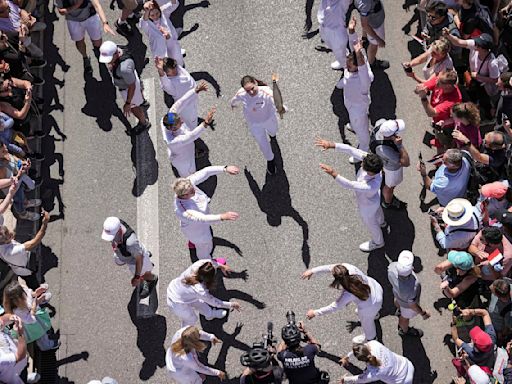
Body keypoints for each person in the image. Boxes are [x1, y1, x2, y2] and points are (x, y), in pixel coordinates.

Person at [315, 138, 385, 252]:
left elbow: (350, 185)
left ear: (371, 172)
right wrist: (331, 145)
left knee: (371, 223)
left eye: (364, 166)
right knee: (378, 212)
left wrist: (333, 173)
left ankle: (378, 242)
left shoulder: (370, 185)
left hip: (367, 205)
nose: (361, 163)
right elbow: (351, 150)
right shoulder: (372, 161)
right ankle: (382, 222)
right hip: (374, 199)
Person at [173, 165, 240, 259]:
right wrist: (223, 216)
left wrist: (225, 168)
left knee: (197, 241)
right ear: (184, 195)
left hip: (194, 224)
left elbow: (206, 172)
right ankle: (206, 262)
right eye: (191, 191)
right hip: (198, 231)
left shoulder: (187, 183)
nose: (194, 190)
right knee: (205, 246)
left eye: (193, 187)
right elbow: (202, 219)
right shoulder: (184, 210)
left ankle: (193, 243)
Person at [303, 263, 383, 341]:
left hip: (370, 307)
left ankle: (371, 338)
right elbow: (331, 267)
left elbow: (334, 307)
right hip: (376, 288)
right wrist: (313, 271)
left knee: (367, 324)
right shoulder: (348, 267)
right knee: (368, 312)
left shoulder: (348, 294)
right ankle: (375, 314)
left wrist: (315, 312)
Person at [230, 75, 283, 175]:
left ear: (255, 83)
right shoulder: (241, 93)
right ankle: (270, 160)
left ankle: (272, 136)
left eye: (252, 88)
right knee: (263, 144)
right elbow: (234, 99)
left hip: (269, 119)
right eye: (247, 90)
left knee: (273, 132)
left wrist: (282, 108)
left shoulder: (266, 92)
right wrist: (233, 104)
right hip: (254, 124)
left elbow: (277, 101)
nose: (250, 92)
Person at [335, 20, 374, 155]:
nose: (347, 65)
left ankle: (364, 147)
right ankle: (354, 124)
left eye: (350, 65)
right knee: (353, 120)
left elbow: (362, 66)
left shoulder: (365, 77)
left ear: (357, 66)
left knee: (361, 129)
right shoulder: (357, 60)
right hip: (349, 100)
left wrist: (358, 54)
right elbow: (356, 46)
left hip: (358, 107)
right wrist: (351, 31)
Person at [160, 81, 214, 177]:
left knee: (190, 148)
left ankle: (195, 153)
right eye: (179, 123)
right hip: (183, 159)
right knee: (190, 173)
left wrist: (195, 90)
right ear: (172, 128)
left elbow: (180, 102)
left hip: (183, 148)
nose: (182, 121)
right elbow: (191, 136)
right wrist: (205, 123)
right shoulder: (173, 141)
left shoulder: (170, 116)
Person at [166, 259, 241, 327]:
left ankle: (210, 314)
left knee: (198, 301)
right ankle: (184, 336)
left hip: (176, 289)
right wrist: (231, 304)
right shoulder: (200, 291)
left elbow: (210, 263)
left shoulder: (198, 265)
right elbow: (215, 302)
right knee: (192, 319)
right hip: (176, 304)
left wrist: (222, 266)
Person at [444, 31, 500, 119]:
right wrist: (449, 36)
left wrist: (478, 76)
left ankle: (488, 117)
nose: (475, 44)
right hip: (474, 79)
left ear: (483, 48)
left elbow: (495, 79)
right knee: (472, 95)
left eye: (478, 44)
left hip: (483, 85)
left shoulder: (492, 62)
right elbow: (458, 42)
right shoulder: (475, 46)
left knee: (485, 102)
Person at [98, 40, 151, 135]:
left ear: (116, 54)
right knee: (139, 94)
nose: (108, 62)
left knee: (134, 108)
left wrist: (128, 103)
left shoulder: (124, 69)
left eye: (109, 59)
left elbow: (132, 86)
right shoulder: (118, 48)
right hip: (131, 77)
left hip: (128, 87)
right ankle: (143, 102)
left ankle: (144, 123)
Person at [101, 216, 158, 299]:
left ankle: (151, 280)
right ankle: (145, 258)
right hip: (126, 253)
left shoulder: (130, 243)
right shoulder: (116, 223)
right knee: (122, 259)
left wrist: (136, 277)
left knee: (144, 274)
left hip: (136, 259)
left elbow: (139, 259)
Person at [54, 0, 115, 74]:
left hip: (90, 16)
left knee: (97, 41)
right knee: (79, 41)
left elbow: (97, 4)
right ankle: (85, 57)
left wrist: (105, 23)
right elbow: (61, 12)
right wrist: (77, 5)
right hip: (73, 21)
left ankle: (97, 50)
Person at [2, 280, 58, 350]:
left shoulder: (19, 299)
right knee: (40, 333)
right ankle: (46, 345)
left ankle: (44, 343)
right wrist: (34, 306)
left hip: (32, 319)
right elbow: (30, 320)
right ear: (19, 299)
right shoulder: (18, 311)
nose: (25, 293)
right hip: (31, 325)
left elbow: (29, 293)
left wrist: (35, 293)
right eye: (23, 294)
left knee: (40, 332)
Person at [414, 70, 462, 151]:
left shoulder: (453, 100)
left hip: (445, 125)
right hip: (437, 120)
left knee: (445, 143)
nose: (436, 82)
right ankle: (438, 141)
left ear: (448, 86)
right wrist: (419, 89)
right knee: (437, 134)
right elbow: (419, 88)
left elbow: (431, 113)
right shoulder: (440, 80)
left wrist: (423, 98)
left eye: (439, 82)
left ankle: (443, 149)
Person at [0, 210, 48, 289]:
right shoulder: (11, 251)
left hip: (20, 265)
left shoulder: (2, 243)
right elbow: (34, 242)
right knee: (32, 281)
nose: (11, 233)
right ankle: (38, 293)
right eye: (9, 234)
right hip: (25, 271)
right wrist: (44, 224)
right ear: (6, 239)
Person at [387, 250, 430, 338]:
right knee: (404, 318)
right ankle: (404, 330)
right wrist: (423, 313)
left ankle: (399, 310)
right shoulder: (412, 287)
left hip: (397, 294)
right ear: (412, 268)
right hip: (407, 305)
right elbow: (412, 305)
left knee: (397, 301)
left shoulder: (392, 267)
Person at [370, 119, 410, 209]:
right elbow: (406, 162)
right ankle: (388, 203)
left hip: (380, 158)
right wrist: (399, 145)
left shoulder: (380, 123)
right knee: (390, 186)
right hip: (392, 169)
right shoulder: (387, 151)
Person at [339, 339, 414, 383]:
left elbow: (362, 379)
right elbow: (360, 349)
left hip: (403, 381)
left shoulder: (374, 372)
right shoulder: (374, 344)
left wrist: (345, 379)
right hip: (408, 364)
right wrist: (347, 356)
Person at [154, 56, 197, 128]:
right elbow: (165, 84)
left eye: (175, 68)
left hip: (192, 101)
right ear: (166, 73)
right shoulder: (171, 85)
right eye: (173, 71)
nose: (176, 71)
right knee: (190, 124)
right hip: (186, 108)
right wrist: (160, 71)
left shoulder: (177, 68)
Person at [276, 320, 322, 384]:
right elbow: (318, 346)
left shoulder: (283, 356)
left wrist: (287, 337)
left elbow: (279, 350)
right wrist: (305, 331)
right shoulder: (309, 350)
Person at [139, 0, 183, 65]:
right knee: (167, 68)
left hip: (172, 44)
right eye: (152, 15)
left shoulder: (164, 12)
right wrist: (147, 10)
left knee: (178, 62)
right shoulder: (147, 25)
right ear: (148, 15)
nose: (155, 17)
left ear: (159, 10)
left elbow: (174, 4)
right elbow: (143, 22)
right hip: (160, 50)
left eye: (157, 13)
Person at [353, 0, 389, 69]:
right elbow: (365, 25)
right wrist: (378, 39)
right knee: (374, 45)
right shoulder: (366, 4)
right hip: (375, 25)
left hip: (371, 18)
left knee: (366, 21)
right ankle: (371, 63)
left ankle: (364, 39)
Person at [317, 0, 351, 70]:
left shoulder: (342, 2)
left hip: (336, 32)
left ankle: (346, 66)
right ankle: (345, 54)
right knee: (330, 44)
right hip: (324, 26)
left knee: (339, 51)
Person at [0, 314, 28, 384]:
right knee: (22, 375)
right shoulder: (1, 360)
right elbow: (20, 356)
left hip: (20, 359)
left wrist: (11, 317)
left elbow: (2, 319)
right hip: (15, 373)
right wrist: (20, 333)